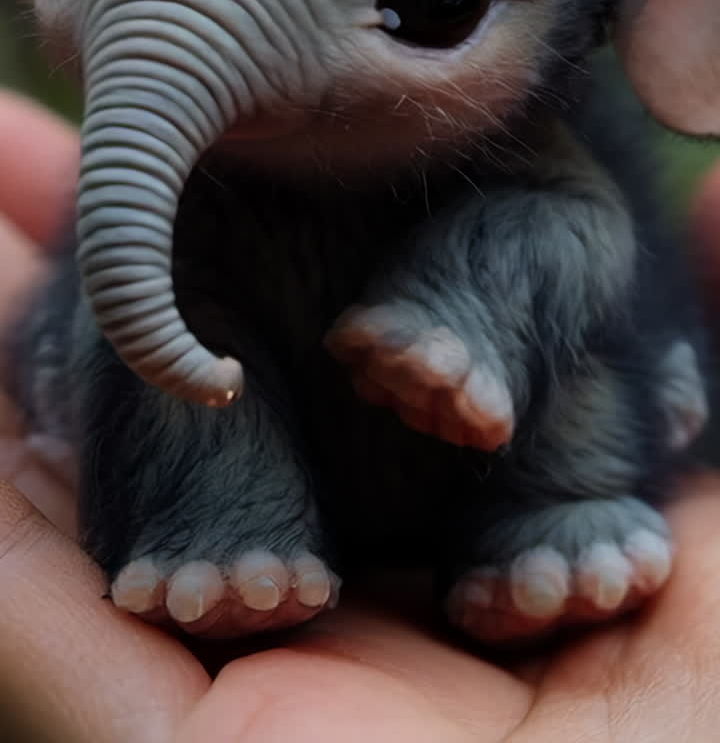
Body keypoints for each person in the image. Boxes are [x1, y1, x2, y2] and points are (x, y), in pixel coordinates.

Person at [1, 90, 720, 743]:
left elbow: (583, 249)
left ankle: (559, 508)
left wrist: (465, 318)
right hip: (238, 367)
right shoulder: (171, 157)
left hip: (506, 436)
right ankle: (219, 523)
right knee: (167, 327)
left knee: (577, 320)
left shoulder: (544, 150)